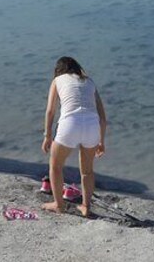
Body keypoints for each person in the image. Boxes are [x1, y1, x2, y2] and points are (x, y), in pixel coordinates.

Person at [41, 56, 107, 217]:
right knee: (87, 171)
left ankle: (58, 204)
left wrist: (47, 135)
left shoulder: (57, 80)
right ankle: (85, 206)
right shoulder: (89, 82)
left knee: (56, 166)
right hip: (92, 125)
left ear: (58, 70)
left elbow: (50, 111)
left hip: (70, 124)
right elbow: (103, 117)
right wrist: (101, 141)